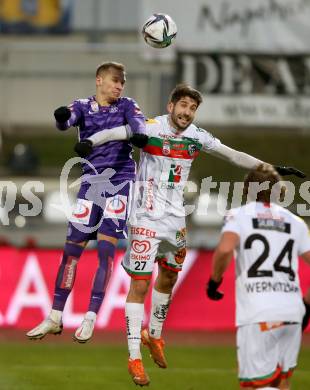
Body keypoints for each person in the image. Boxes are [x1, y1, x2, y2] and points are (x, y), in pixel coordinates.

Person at [75, 84, 305, 386]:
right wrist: (91, 141)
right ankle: (133, 356)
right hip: (145, 218)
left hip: (175, 221)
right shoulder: (151, 128)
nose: (187, 112)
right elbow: (119, 132)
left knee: (169, 276)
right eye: (183, 105)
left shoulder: (197, 137)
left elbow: (232, 155)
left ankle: (154, 335)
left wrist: (271, 168)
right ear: (171, 106)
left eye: (192, 108)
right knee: (140, 284)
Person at [26, 61, 148, 343]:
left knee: (106, 251)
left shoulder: (127, 105)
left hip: (120, 182)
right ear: (99, 80)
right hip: (91, 185)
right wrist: (59, 117)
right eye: (115, 81)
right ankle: (55, 316)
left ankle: (90, 317)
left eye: (122, 82)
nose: (120, 86)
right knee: (71, 252)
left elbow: (139, 124)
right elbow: (65, 120)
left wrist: (139, 134)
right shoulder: (82, 105)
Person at [206, 164, 310, 390]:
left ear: (246, 190)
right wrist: (307, 304)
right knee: (281, 382)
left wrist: (214, 281)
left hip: (259, 312)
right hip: (292, 311)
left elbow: (225, 250)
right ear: (279, 191)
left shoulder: (238, 215)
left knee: (254, 386)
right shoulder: (295, 221)